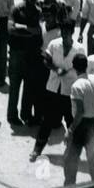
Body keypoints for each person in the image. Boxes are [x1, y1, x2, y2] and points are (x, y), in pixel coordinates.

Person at [31, 18, 85, 162]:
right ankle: (37, 150)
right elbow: (45, 58)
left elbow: (80, 66)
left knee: (71, 122)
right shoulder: (54, 44)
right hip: (53, 88)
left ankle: (73, 152)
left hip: (69, 91)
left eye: (68, 31)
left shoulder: (79, 48)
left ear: (73, 32)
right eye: (63, 31)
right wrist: (56, 68)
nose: (65, 34)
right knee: (47, 121)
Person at [62, 53, 94, 184]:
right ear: (86, 65)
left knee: (70, 160)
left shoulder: (77, 86)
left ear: (74, 68)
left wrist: (71, 129)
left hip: (81, 126)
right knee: (93, 160)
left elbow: (80, 112)